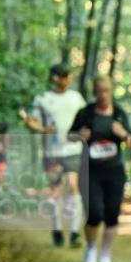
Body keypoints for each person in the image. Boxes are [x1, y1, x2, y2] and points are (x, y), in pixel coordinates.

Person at [20, 63, 86, 247]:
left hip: (73, 150)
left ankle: (74, 233)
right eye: (62, 75)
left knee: (73, 186)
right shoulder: (43, 98)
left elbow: (85, 120)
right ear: (53, 78)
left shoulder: (76, 98)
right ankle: (57, 229)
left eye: (68, 75)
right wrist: (42, 130)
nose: (66, 79)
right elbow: (31, 122)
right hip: (52, 151)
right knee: (55, 189)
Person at [70, 76, 131, 262]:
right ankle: (90, 248)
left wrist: (123, 134)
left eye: (106, 90)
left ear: (111, 90)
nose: (103, 94)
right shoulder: (86, 113)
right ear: (94, 92)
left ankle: (105, 253)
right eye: (99, 90)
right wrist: (80, 136)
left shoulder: (120, 114)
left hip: (114, 171)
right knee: (94, 213)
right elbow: (69, 136)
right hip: (90, 171)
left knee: (112, 215)